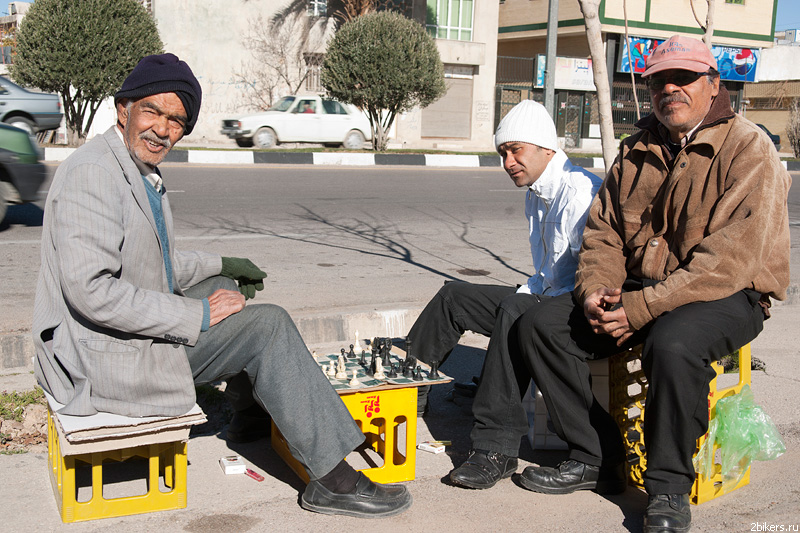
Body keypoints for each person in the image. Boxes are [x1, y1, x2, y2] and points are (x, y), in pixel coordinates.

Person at [32, 53, 411, 518]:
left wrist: (222, 264)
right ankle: (334, 481)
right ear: (123, 109)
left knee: (224, 284)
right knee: (266, 326)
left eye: (177, 120)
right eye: (153, 111)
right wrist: (198, 315)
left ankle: (249, 420)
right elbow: (92, 291)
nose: (163, 129)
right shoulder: (94, 173)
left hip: (111, 339)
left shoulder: (130, 166)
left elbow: (153, 263)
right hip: (97, 358)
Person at [450, 35, 790, 533]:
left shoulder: (747, 147)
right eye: (659, 82)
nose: (669, 89)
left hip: (727, 291)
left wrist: (642, 307)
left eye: (684, 79)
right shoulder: (636, 150)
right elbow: (604, 234)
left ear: (714, 85)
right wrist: (595, 290)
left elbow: (729, 260)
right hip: (645, 285)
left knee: (673, 344)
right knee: (539, 324)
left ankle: (669, 487)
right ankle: (597, 457)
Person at [406, 100, 602, 439]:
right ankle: (410, 388)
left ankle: (495, 434)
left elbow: (593, 278)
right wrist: (529, 291)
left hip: (569, 310)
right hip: (542, 294)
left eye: (515, 150)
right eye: (502, 154)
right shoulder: (535, 194)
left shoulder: (580, 192)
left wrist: (530, 300)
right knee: (453, 297)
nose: (508, 163)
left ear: (546, 148)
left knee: (514, 309)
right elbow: (545, 273)